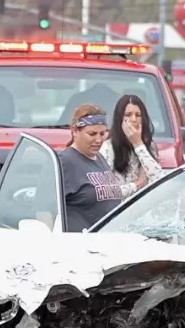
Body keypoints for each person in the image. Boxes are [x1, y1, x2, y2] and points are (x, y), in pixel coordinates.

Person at [59, 103, 124, 233]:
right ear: (75, 131)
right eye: (92, 134)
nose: (98, 140)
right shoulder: (64, 161)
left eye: (102, 133)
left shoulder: (99, 158)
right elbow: (45, 210)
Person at [99, 94, 164, 199]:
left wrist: (138, 144)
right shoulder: (108, 148)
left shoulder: (148, 146)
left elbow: (160, 181)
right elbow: (104, 192)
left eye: (138, 115)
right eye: (128, 115)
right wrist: (137, 185)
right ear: (120, 118)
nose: (134, 119)